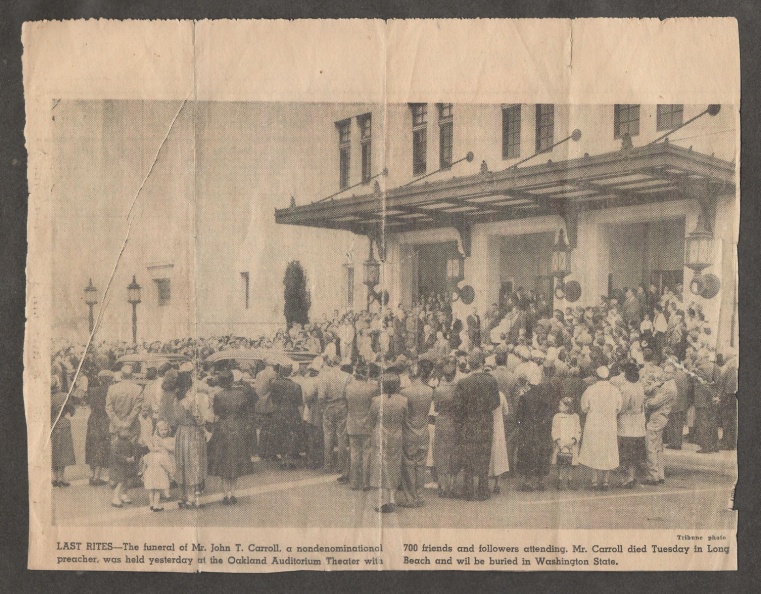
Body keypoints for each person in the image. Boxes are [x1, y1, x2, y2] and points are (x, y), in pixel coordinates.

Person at [453, 350, 500, 500]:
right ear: (482, 364)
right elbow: (496, 403)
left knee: (468, 457)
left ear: (469, 364)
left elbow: (458, 407)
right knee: (484, 456)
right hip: (485, 422)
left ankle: (468, 490)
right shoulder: (491, 381)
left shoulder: (463, 383)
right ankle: (483, 489)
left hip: (469, 423)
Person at [209, 370, 256, 504]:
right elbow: (246, 412)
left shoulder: (218, 395)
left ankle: (225, 494)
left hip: (223, 427)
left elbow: (217, 412)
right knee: (235, 460)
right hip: (237, 426)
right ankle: (233, 494)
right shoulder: (241, 394)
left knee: (224, 461)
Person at [173, 368, 213, 509]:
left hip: (180, 432)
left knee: (182, 463)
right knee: (193, 463)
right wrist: (205, 431)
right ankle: (190, 497)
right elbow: (198, 419)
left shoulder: (176, 400)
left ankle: (182, 496)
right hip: (192, 433)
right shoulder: (190, 401)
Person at [368, 373, 408, 513]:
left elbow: (371, 419)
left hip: (379, 434)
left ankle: (381, 500)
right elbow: (405, 418)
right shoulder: (403, 400)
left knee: (379, 466)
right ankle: (392, 498)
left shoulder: (376, 400)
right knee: (394, 466)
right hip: (396, 435)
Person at [578, 366, 622, 490]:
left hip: (594, 424)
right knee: (608, 449)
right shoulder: (615, 390)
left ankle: (594, 480)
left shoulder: (590, 389)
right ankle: (606, 480)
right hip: (609, 424)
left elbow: (584, 408)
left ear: (596, 377)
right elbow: (619, 408)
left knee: (594, 449)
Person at [105, 365, 144, 505]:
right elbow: (137, 408)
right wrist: (127, 422)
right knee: (129, 458)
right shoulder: (138, 389)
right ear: (132, 375)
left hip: (116, 427)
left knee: (116, 459)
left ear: (121, 375)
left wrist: (118, 422)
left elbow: (108, 408)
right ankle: (123, 493)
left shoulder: (112, 388)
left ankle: (119, 488)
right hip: (131, 428)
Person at [399, 359, 435, 507]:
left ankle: (410, 497)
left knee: (408, 465)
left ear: (410, 376)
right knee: (421, 465)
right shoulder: (430, 391)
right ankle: (420, 496)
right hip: (423, 431)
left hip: (409, 432)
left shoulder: (404, 393)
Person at [515, 367, 555, 491]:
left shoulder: (524, 397)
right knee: (541, 454)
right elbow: (549, 415)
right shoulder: (546, 398)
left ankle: (527, 481)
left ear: (529, 383)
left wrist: (521, 426)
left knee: (527, 454)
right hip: (542, 430)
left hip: (528, 430)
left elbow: (519, 417)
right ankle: (540, 481)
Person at [345, 363, 379, 491]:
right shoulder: (372, 388)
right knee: (367, 454)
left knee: (354, 453)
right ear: (366, 373)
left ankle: (354, 482)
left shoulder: (349, 388)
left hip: (352, 422)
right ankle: (365, 482)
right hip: (367, 424)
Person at [318, 356, 352, 480]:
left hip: (328, 407)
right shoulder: (348, 377)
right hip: (342, 406)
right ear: (341, 364)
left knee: (328, 436)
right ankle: (341, 465)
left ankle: (328, 464)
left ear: (331, 363)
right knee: (342, 437)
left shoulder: (324, 376)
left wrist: (323, 407)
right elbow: (350, 394)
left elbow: (321, 396)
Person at [612, 362, 646, 488]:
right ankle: (632, 476)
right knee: (634, 453)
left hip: (626, 423)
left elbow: (623, 407)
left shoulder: (626, 388)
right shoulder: (640, 387)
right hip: (638, 422)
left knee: (625, 452)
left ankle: (626, 478)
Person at [642, 363, 677, 485]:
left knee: (650, 445)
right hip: (660, 416)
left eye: (668, 372)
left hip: (658, 416)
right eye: (665, 371)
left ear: (673, 374)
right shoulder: (668, 385)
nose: (665, 374)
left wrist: (647, 402)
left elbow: (654, 403)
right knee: (657, 447)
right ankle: (659, 474)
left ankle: (652, 475)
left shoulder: (668, 387)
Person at [433, 361, 459, 498]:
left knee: (441, 453)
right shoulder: (458, 388)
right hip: (454, 421)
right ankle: (453, 484)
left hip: (442, 420)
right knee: (453, 452)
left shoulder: (438, 390)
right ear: (454, 374)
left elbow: (436, 408)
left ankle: (443, 486)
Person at [84, 370, 113, 486]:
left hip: (93, 419)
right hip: (103, 420)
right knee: (101, 447)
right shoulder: (109, 391)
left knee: (91, 446)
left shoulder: (93, 390)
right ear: (110, 380)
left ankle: (91, 475)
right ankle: (97, 476)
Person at [141, 420, 176, 512]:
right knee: (157, 491)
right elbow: (166, 465)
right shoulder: (161, 455)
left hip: (150, 474)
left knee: (151, 491)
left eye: (165, 429)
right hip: (159, 474)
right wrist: (171, 470)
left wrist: (143, 474)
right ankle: (156, 505)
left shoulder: (148, 455)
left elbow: (145, 465)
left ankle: (151, 504)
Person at [551, 396, 581, 490]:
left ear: (568, 407)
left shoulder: (575, 417)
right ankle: (560, 480)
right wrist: (558, 441)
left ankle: (569, 480)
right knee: (561, 462)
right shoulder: (557, 416)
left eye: (561, 405)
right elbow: (554, 429)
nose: (559, 406)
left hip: (571, 444)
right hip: (561, 443)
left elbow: (578, 430)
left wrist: (574, 440)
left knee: (571, 463)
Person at [51, 377, 76, 488]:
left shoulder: (45, 396)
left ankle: (54, 477)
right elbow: (72, 411)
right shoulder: (64, 396)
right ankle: (61, 477)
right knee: (63, 452)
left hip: (50, 425)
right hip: (63, 424)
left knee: (53, 451)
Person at [693, 350, 720, 453]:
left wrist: (710, 395)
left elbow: (703, 385)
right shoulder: (715, 366)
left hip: (702, 400)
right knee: (713, 422)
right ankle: (714, 446)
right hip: (712, 401)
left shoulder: (700, 369)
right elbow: (718, 383)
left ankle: (706, 446)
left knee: (703, 423)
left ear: (702, 358)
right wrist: (716, 396)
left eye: (699, 358)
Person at [488, 386, 510, 494]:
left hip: (488, 427)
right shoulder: (501, 395)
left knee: (488, 454)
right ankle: (498, 483)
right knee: (499, 454)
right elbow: (506, 412)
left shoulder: (486, 394)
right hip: (499, 428)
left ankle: (486, 482)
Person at [717, 349, 738, 451]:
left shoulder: (731, 369)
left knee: (728, 421)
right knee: (728, 421)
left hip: (728, 399)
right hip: (728, 398)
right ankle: (727, 441)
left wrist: (723, 397)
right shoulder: (731, 368)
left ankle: (728, 443)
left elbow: (730, 387)